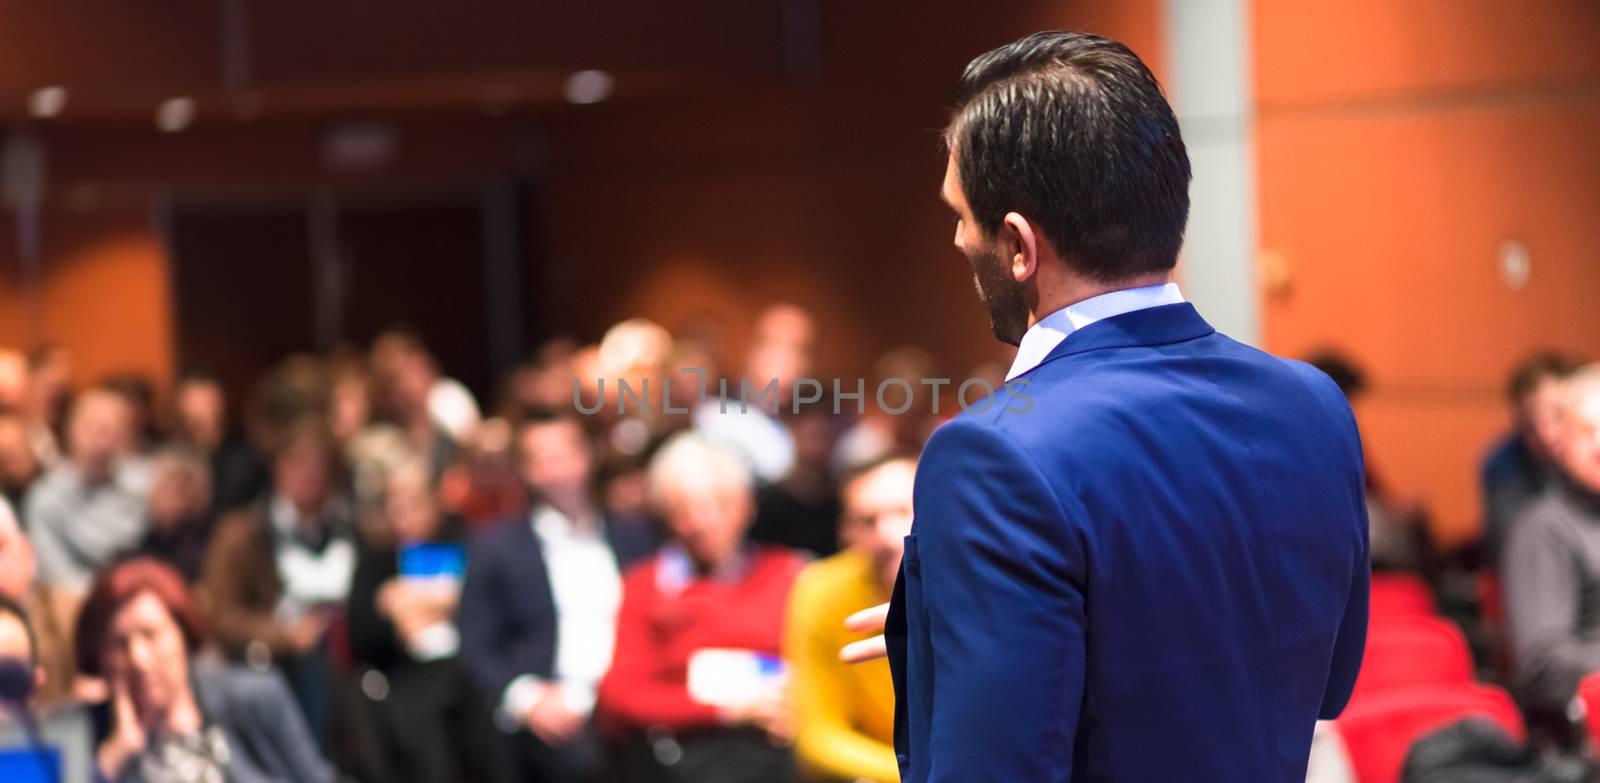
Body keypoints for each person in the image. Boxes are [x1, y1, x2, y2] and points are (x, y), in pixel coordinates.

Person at [847, 32, 1369, 781]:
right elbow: (1324, 683)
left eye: (961, 214)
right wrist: (944, 639)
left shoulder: (992, 452)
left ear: (1019, 247)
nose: (958, 237)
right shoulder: (1312, 403)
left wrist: (945, 672)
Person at [597, 432, 807, 783]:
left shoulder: (790, 572)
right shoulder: (645, 586)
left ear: (746, 505)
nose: (700, 522)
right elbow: (621, 695)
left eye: (718, 505)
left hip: (785, 743)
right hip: (690, 755)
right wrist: (728, 712)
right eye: (682, 510)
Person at [457, 409, 654, 783]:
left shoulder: (632, 536)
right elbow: (475, 645)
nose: (557, 469)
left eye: (564, 454)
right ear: (527, 471)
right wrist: (526, 698)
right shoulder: (497, 547)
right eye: (542, 460)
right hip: (551, 711)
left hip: (628, 704)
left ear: (587, 456)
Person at [75, 558, 331, 783]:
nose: (138, 659)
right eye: (119, 644)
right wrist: (117, 754)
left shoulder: (252, 697)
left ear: (182, 635)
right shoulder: (89, 735)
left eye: (150, 634)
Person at [346, 460, 509, 783]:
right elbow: (364, 633)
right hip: (405, 674)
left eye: (413, 502)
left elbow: (487, 605)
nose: (404, 513)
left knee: (480, 702)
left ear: (434, 500)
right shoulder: (377, 558)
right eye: (395, 505)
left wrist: (413, 602)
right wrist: (438, 602)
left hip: (469, 662)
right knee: (424, 713)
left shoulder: (468, 541)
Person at [200, 419, 357, 745]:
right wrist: (284, 635)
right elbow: (222, 616)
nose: (308, 475)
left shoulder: (347, 527)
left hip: (349, 652)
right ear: (278, 468)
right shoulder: (242, 532)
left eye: (318, 466)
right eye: (298, 464)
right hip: (272, 661)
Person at [784, 455, 914, 783]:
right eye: (868, 520)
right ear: (847, 532)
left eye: (903, 512)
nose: (887, 534)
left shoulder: (976, 586)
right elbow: (818, 735)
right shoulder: (820, 591)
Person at [1502, 364, 1600, 720]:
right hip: (1581, 730)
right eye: (1587, 432)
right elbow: (1542, 665)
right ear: (1561, 442)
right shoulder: (1543, 528)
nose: (1599, 444)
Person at [25, 389, 152, 592]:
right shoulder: (46, 498)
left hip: (141, 594)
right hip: (76, 605)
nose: (102, 441)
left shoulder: (146, 484)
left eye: (112, 430)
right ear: (71, 431)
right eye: (93, 428)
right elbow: (55, 574)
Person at [1481, 352, 1577, 561]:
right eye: (1529, 424)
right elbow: (1518, 548)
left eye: (1557, 415)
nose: (1546, 434)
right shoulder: (1503, 463)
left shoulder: (1592, 451)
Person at [137, 448, 214, 583]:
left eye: (182, 490)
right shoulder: (148, 538)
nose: (175, 501)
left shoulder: (203, 543)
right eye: (168, 489)